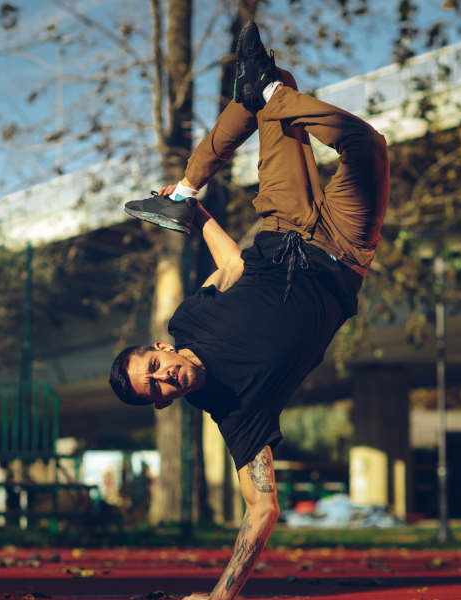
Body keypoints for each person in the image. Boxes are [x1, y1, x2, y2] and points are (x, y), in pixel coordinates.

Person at [111, 21, 389, 600]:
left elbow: (232, 264)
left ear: (159, 350)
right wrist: (220, 598)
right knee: (360, 142)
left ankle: (192, 181)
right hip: (343, 248)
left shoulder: (187, 320)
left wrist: (195, 213)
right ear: (164, 402)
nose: (164, 383)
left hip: (283, 224)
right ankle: (255, 99)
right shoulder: (236, 416)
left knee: (271, 96)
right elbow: (262, 509)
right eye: (155, 393)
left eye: (153, 372)